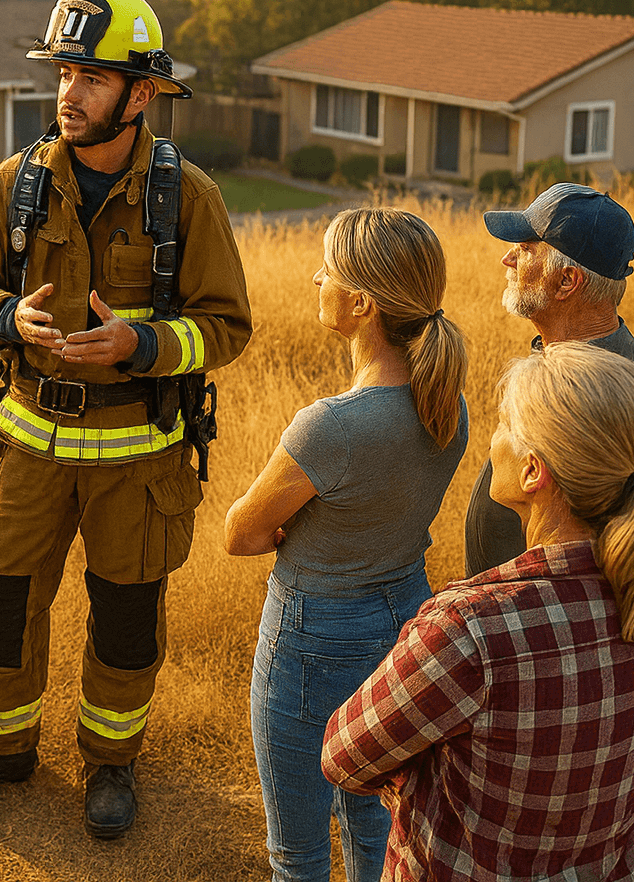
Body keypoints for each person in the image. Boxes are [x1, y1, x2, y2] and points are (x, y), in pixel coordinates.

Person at [0, 0, 253, 836]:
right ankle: (0, 750)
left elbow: (226, 325)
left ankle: (110, 765)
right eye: (63, 72)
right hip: (27, 452)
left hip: (137, 460)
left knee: (124, 622)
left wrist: (140, 347)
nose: (68, 92)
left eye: (91, 77)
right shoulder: (16, 185)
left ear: (142, 92)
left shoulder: (188, 199)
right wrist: (5, 317)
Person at [323, 343, 634, 882]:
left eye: (504, 424)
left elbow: (342, 756)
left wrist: (417, 782)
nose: (493, 438)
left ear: (533, 470)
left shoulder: (471, 630)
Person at [223, 208, 470, 882]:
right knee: (377, 829)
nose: (316, 277)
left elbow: (240, 533)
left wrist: (292, 528)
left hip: (313, 634)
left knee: (297, 854)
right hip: (406, 621)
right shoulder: (449, 404)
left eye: (328, 270)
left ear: (361, 303)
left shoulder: (329, 426)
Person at [465, 182, 634, 576]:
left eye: (526, 249)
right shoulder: (571, 360)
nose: (506, 259)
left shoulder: (604, 391)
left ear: (566, 281)